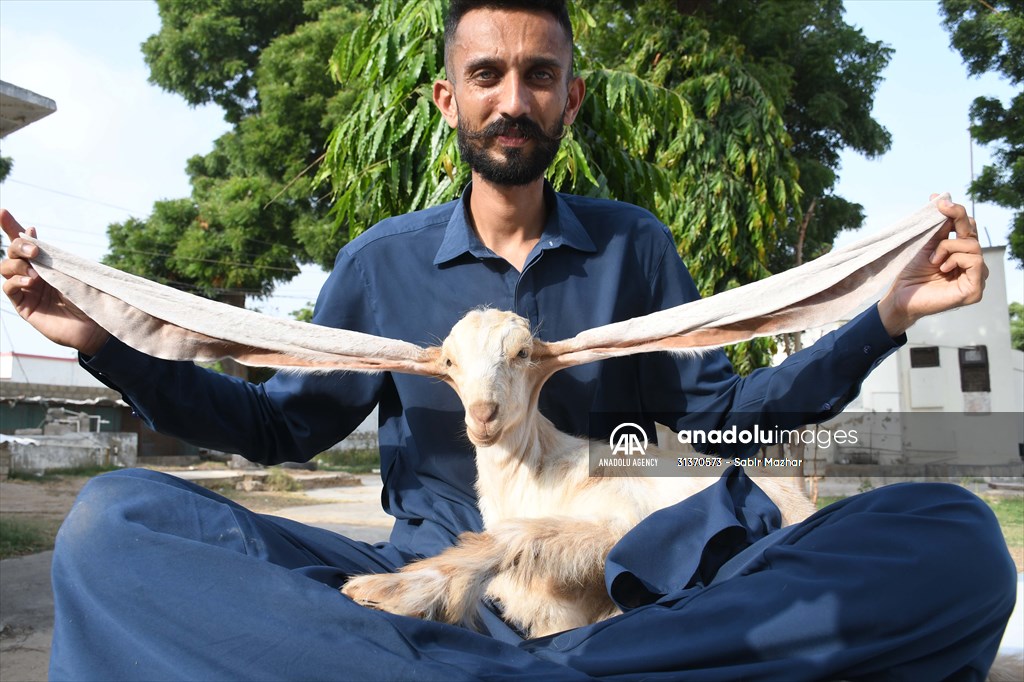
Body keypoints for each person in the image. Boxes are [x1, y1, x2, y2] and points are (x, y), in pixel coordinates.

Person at [1, 1, 1015, 679]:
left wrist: (884, 315)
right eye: (487, 74)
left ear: (570, 98)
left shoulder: (634, 248)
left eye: (539, 75)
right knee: (112, 525)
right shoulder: (377, 264)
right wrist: (105, 343)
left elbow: (720, 423)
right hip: (426, 581)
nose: (513, 97)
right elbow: (284, 431)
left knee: (950, 537)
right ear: (449, 99)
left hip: (628, 583)